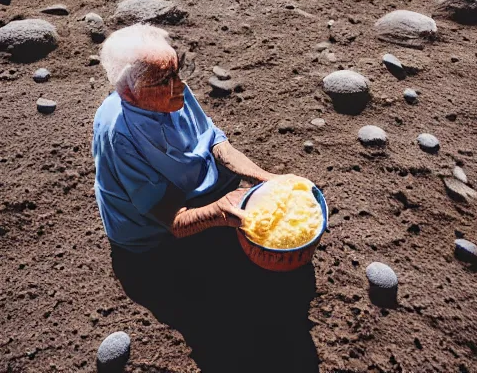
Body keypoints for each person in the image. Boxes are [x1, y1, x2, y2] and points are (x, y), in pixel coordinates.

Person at [92, 24, 319, 372]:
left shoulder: (171, 90)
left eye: (177, 72)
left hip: (199, 189)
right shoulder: (120, 135)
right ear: (128, 92)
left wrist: (269, 179)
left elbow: (216, 143)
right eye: (164, 81)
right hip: (153, 235)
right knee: (228, 301)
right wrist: (219, 212)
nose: (180, 86)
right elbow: (174, 220)